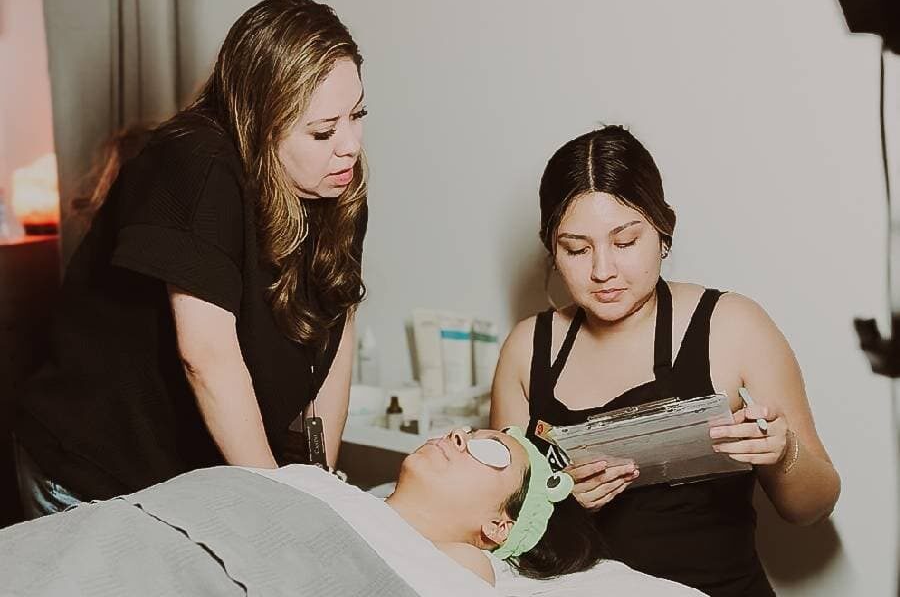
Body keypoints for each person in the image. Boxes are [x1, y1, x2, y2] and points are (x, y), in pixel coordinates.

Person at [14, 0, 368, 517]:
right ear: (259, 122)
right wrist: (284, 509)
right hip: (94, 470)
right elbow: (206, 358)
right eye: (322, 130)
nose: (351, 145)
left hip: (186, 479)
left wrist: (321, 482)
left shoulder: (336, 182)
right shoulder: (195, 163)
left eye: (358, 114)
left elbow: (337, 326)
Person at [490, 125, 841, 596]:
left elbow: (811, 508)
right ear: (551, 247)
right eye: (576, 249)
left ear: (663, 230)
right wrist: (558, 507)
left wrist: (782, 453)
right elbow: (493, 525)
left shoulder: (732, 326)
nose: (602, 270)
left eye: (625, 242)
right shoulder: (527, 348)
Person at [0, 427, 591, 595]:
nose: (461, 438)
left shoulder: (455, 572)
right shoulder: (316, 485)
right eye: (471, 431)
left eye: (490, 452)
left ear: (497, 524)